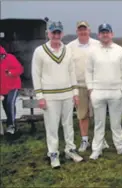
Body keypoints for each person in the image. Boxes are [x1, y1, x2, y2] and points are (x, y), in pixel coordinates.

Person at [32, 21, 83, 168]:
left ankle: (70, 149)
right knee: (52, 126)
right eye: (53, 32)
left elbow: (71, 72)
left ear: (62, 34)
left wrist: (75, 93)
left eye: (58, 32)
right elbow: (36, 75)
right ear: (48, 34)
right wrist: (40, 97)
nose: (56, 35)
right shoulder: (40, 51)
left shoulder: (67, 50)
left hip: (67, 94)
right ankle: (53, 154)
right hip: (50, 96)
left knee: (68, 124)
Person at [85, 23, 122, 160]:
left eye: (107, 32)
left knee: (116, 123)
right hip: (98, 92)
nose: (105, 35)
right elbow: (88, 71)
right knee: (99, 123)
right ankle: (96, 149)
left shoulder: (120, 50)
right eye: (102, 32)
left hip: (116, 91)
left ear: (112, 34)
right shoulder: (92, 51)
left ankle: (120, 146)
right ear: (98, 35)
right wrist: (91, 89)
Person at [66, 21, 109, 152]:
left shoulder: (97, 44)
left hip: (96, 85)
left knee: (98, 113)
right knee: (82, 114)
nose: (83, 32)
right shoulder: (70, 47)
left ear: (89, 31)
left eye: (85, 29)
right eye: (80, 30)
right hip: (79, 85)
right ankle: (85, 140)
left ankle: (101, 139)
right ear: (77, 31)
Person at [0, 45, 23, 135]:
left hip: (14, 86)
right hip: (3, 89)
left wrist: (11, 73)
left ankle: (11, 125)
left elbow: (20, 69)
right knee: (6, 106)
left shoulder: (10, 58)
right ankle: (11, 125)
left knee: (10, 103)